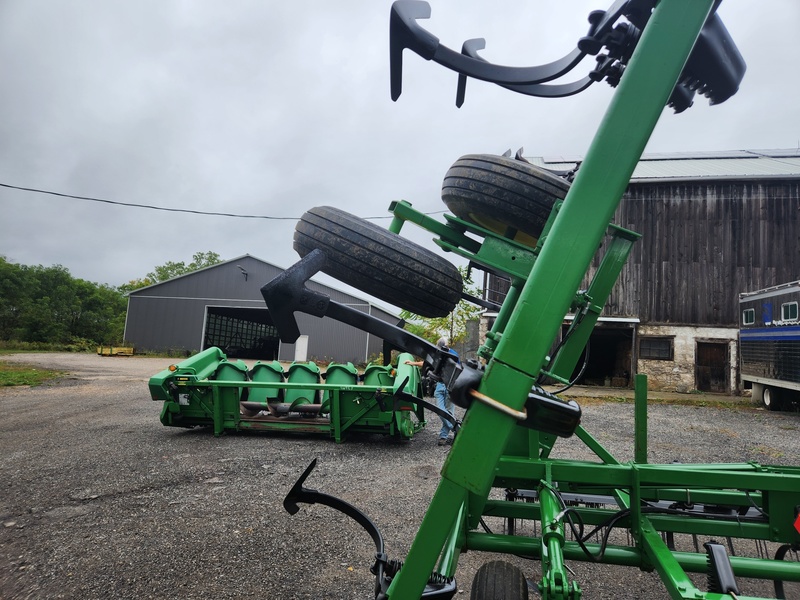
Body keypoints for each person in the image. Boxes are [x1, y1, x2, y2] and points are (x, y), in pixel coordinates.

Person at [405, 337, 459, 446]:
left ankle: (443, 437)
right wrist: (412, 363)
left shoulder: (452, 355)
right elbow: (427, 363)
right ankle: (456, 429)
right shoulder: (442, 354)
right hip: (441, 386)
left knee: (448, 413)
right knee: (440, 410)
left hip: (450, 387)